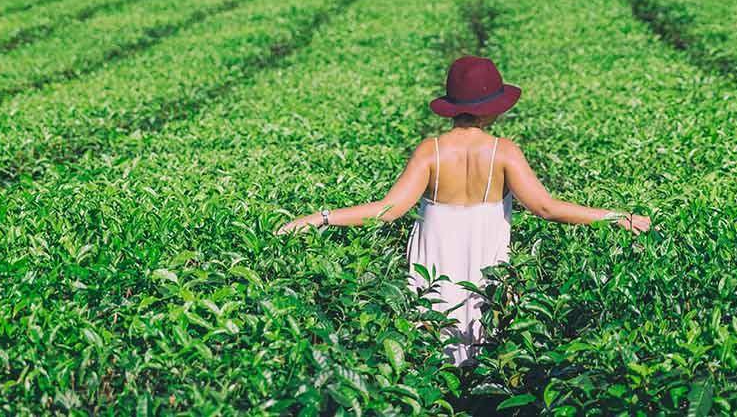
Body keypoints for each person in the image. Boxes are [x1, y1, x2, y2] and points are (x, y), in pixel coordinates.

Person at [277, 56, 652, 366]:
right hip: (485, 266)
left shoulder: (431, 151)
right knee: (490, 356)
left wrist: (320, 218)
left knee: (429, 357)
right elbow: (547, 207)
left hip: (435, 268)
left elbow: (387, 210)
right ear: (492, 108)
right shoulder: (504, 152)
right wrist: (618, 217)